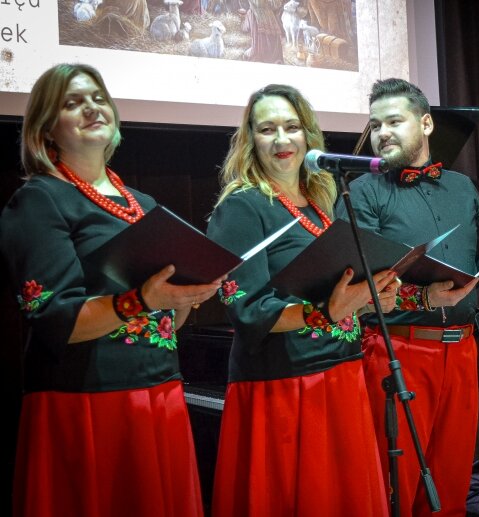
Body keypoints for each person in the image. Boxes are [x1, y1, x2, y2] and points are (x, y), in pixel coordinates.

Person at [0, 63, 223, 517]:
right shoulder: (40, 199)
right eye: (72, 102)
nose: (90, 108)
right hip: (87, 402)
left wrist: (185, 298)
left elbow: (165, 320)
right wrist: (141, 300)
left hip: (158, 393)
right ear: (46, 130)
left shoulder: (144, 204)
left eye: (97, 98)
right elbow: (54, 320)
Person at [206, 84, 397, 516]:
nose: (281, 139)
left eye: (292, 127)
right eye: (267, 129)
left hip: (340, 372)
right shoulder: (242, 206)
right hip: (284, 387)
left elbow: (332, 295)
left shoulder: (320, 203)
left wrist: (368, 299)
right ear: (250, 139)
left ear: (308, 135)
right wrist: (329, 310)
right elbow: (247, 310)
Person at [338, 77, 479, 516]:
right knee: (396, 480)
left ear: (427, 123)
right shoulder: (362, 192)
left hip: (464, 350)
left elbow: (477, 260)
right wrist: (424, 298)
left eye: (394, 121)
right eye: (375, 125)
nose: (382, 133)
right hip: (397, 349)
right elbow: (362, 286)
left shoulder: (462, 187)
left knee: (450, 483)